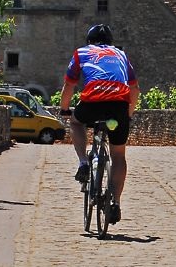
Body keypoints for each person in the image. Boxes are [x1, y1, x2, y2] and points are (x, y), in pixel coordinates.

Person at [58, 24, 141, 225]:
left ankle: (83, 163)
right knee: (118, 156)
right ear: (111, 42)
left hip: (92, 105)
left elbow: (70, 85)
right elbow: (135, 89)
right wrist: (128, 115)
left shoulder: (81, 53)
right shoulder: (121, 55)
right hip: (118, 108)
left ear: (89, 41)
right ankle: (116, 203)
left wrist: (64, 109)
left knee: (76, 123)